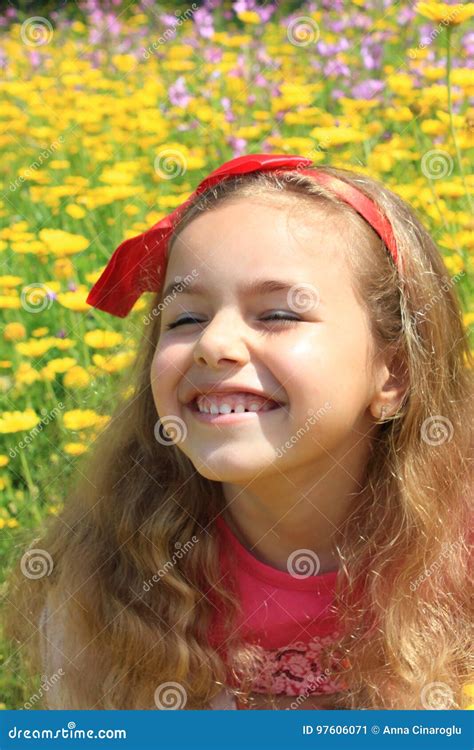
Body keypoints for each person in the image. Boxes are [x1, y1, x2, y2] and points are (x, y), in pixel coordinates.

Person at [5, 154, 472, 710]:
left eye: (277, 314)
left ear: (393, 371)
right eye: (184, 319)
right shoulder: (110, 575)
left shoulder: (456, 551)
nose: (212, 344)